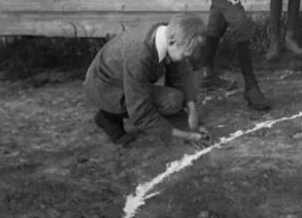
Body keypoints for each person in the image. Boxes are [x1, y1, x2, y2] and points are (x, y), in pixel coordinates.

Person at [84, 14, 210, 147]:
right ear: (172, 42)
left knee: (174, 98)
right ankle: (109, 116)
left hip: (121, 80)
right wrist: (185, 135)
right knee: (171, 100)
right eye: (184, 55)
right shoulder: (139, 55)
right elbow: (140, 111)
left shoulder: (170, 35)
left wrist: (191, 115)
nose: (185, 60)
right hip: (103, 88)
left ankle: (111, 112)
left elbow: (182, 75)